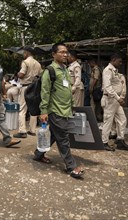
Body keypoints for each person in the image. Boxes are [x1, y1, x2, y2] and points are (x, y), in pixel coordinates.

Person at [33, 42, 84, 179]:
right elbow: (45, 92)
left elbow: (68, 89)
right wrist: (43, 111)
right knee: (63, 138)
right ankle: (71, 166)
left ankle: (38, 154)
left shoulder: (65, 69)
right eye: (61, 52)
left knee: (55, 135)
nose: (65, 54)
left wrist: (72, 105)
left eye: (66, 52)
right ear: (53, 54)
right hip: (55, 110)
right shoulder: (49, 71)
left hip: (65, 109)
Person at [101, 53, 128, 151]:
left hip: (116, 100)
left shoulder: (114, 70)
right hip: (110, 99)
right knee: (108, 122)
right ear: (113, 60)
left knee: (122, 119)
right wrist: (118, 98)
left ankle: (120, 140)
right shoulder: (107, 70)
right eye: (119, 61)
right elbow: (108, 87)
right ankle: (104, 142)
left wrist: (119, 98)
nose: (120, 63)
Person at [13, 46, 42, 138]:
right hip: (34, 87)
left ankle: (22, 131)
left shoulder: (25, 62)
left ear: (26, 52)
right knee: (33, 108)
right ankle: (32, 130)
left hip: (26, 87)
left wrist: (17, 74)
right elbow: (40, 75)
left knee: (22, 109)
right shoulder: (38, 63)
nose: (23, 54)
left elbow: (21, 75)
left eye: (24, 52)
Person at [87, 57, 103, 122]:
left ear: (92, 63)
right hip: (96, 89)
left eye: (89, 63)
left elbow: (95, 79)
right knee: (96, 104)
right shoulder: (94, 69)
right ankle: (96, 118)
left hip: (96, 89)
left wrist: (92, 87)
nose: (89, 65)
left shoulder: (96, 69)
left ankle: (97, 118)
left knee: (96, 104)